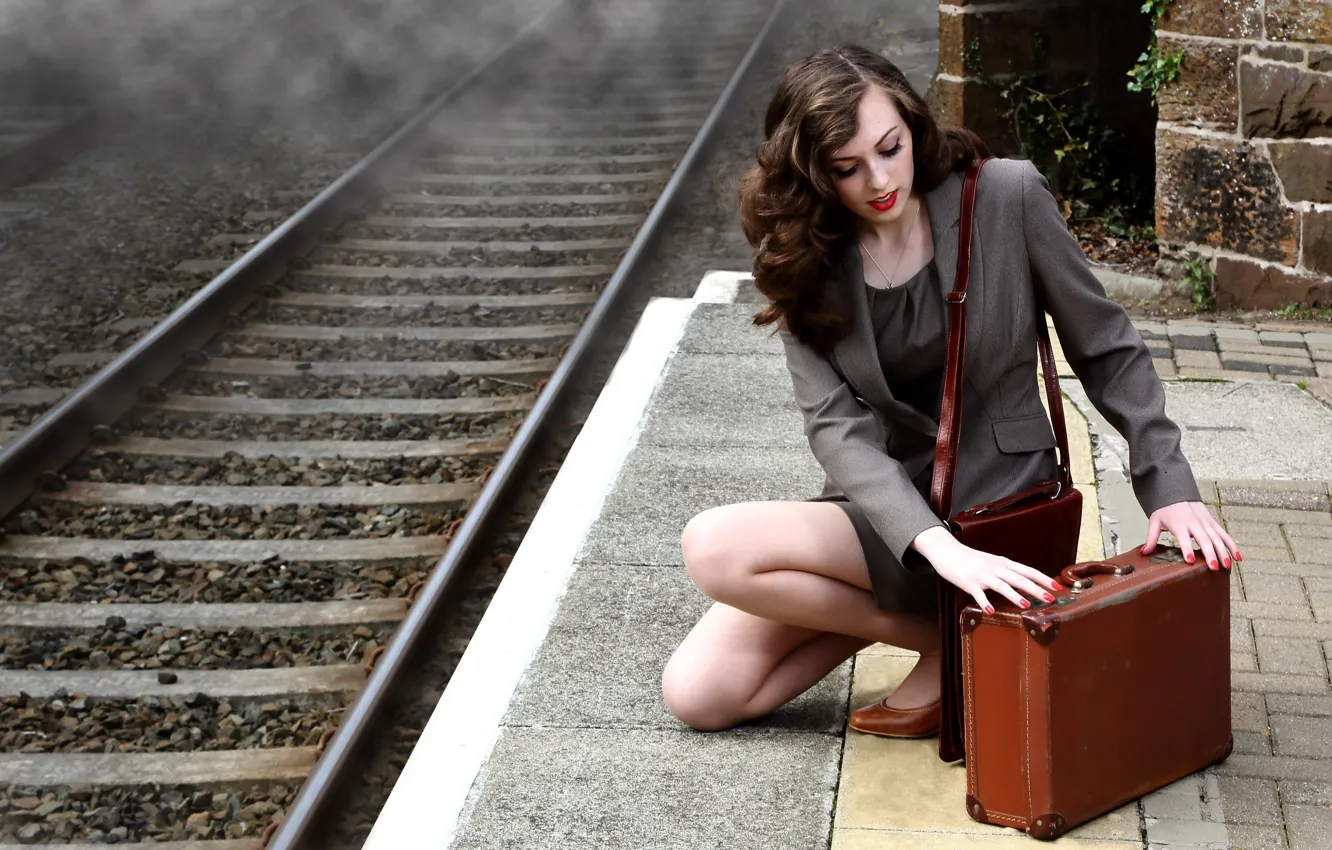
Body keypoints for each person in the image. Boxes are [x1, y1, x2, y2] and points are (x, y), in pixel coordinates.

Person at [660, 44, 1240, 737]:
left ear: (910, 121)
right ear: (813, 175)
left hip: (999, 507)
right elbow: (835, 429)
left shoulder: (1006, 196)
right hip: (892, 515)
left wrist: (1168, 484)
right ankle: (957, 636)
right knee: (700, 694)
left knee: (715, 545)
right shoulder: (802, 257)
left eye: (890, 148)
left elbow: (1107, 346)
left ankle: (962, 626)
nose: (879, 179)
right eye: (848, 168)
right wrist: (937, 548)